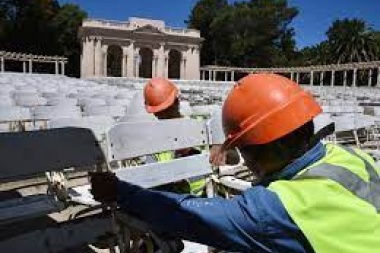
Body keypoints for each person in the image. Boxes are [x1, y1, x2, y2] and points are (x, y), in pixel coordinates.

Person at [91, 73, 380, 253]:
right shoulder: (354, 156)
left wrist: (121, 192)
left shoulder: (278, 207)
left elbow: (189, 216)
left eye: (245, 150)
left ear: (269, 144)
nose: (245, 160)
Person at [143, 77, 206, 196]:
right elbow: (150, 175)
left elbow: (232, 159)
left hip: (200, 194)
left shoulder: (198, 126)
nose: (160, 115)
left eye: (164, 110)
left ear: (176, 103)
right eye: (158, 112)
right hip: (169, 195)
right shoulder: (153, 137)